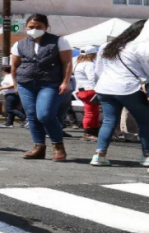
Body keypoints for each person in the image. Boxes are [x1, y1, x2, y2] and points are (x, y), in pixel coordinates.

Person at [11, 14, 73, 162]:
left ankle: (58, 146)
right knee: (32, 116)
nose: (34, 29)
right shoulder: (19, 44)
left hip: (50, 83)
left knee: (45, 115)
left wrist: (65, 82)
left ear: (46, 27)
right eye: (31, 27)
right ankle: (39, 147)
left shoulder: (59, 41)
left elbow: (67, 63)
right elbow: (14, 66)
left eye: (39, 27)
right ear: (26, 28)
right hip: (26, 83)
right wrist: (15, 84)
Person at [91, 19, 149, 167]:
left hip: (105, 88)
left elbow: (98, 70)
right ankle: (147, 155)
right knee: (144, 121)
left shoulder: (106, 46)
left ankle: (99, 155)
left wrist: (98, 86)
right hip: (128, 88)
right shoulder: (138, 47)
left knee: (109, 121)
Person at [73, 45, 100, 141]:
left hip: (81, 90)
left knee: (92, 111)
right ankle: (88, 132)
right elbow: (92, 78)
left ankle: (92, 132)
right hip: (90, 90)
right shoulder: (89, 64)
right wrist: (98, 89)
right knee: (91, 113)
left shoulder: (78, 63)